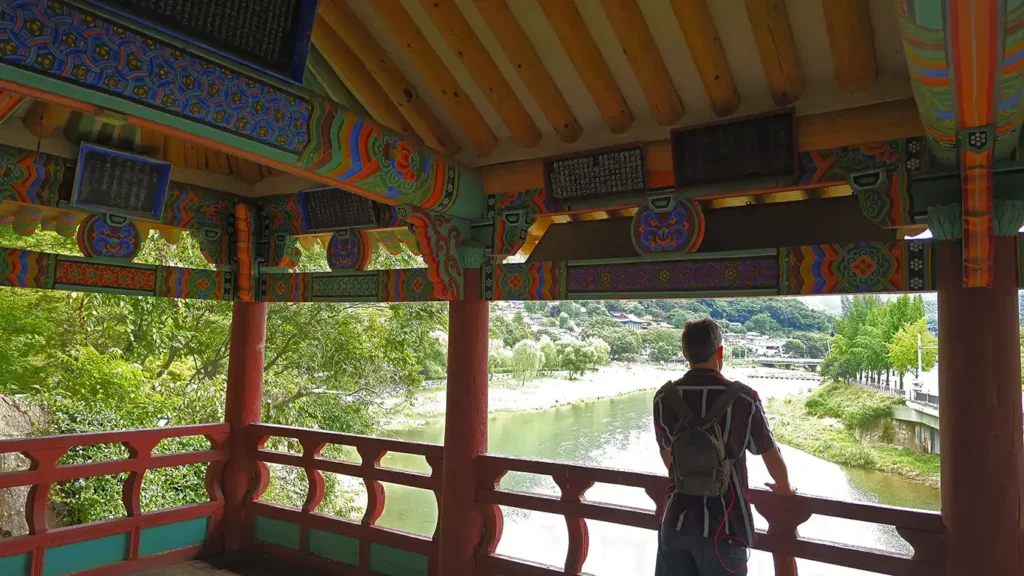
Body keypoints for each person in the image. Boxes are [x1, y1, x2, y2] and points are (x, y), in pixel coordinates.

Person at [653, 318, 794, 576]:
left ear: (684, 352)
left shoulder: (665, 398)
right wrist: (785, 488)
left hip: (675, 523)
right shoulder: (743, 398)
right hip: (726, 528)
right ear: (720, 352)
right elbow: (769, 453)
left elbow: (668, 459)